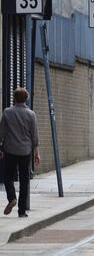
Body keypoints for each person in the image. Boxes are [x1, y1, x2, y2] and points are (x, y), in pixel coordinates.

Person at [0, 88, 40, 218]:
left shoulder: (7, 112)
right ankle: (22, 211)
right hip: (25, 151)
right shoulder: (31, 114)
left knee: (8, 177)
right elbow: (34, 136)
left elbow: (2, 133)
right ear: (26, 99)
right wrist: (36, 153)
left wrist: (1, 147)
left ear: (14, 98)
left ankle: (12, 197)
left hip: (10, 150)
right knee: (24, 180)